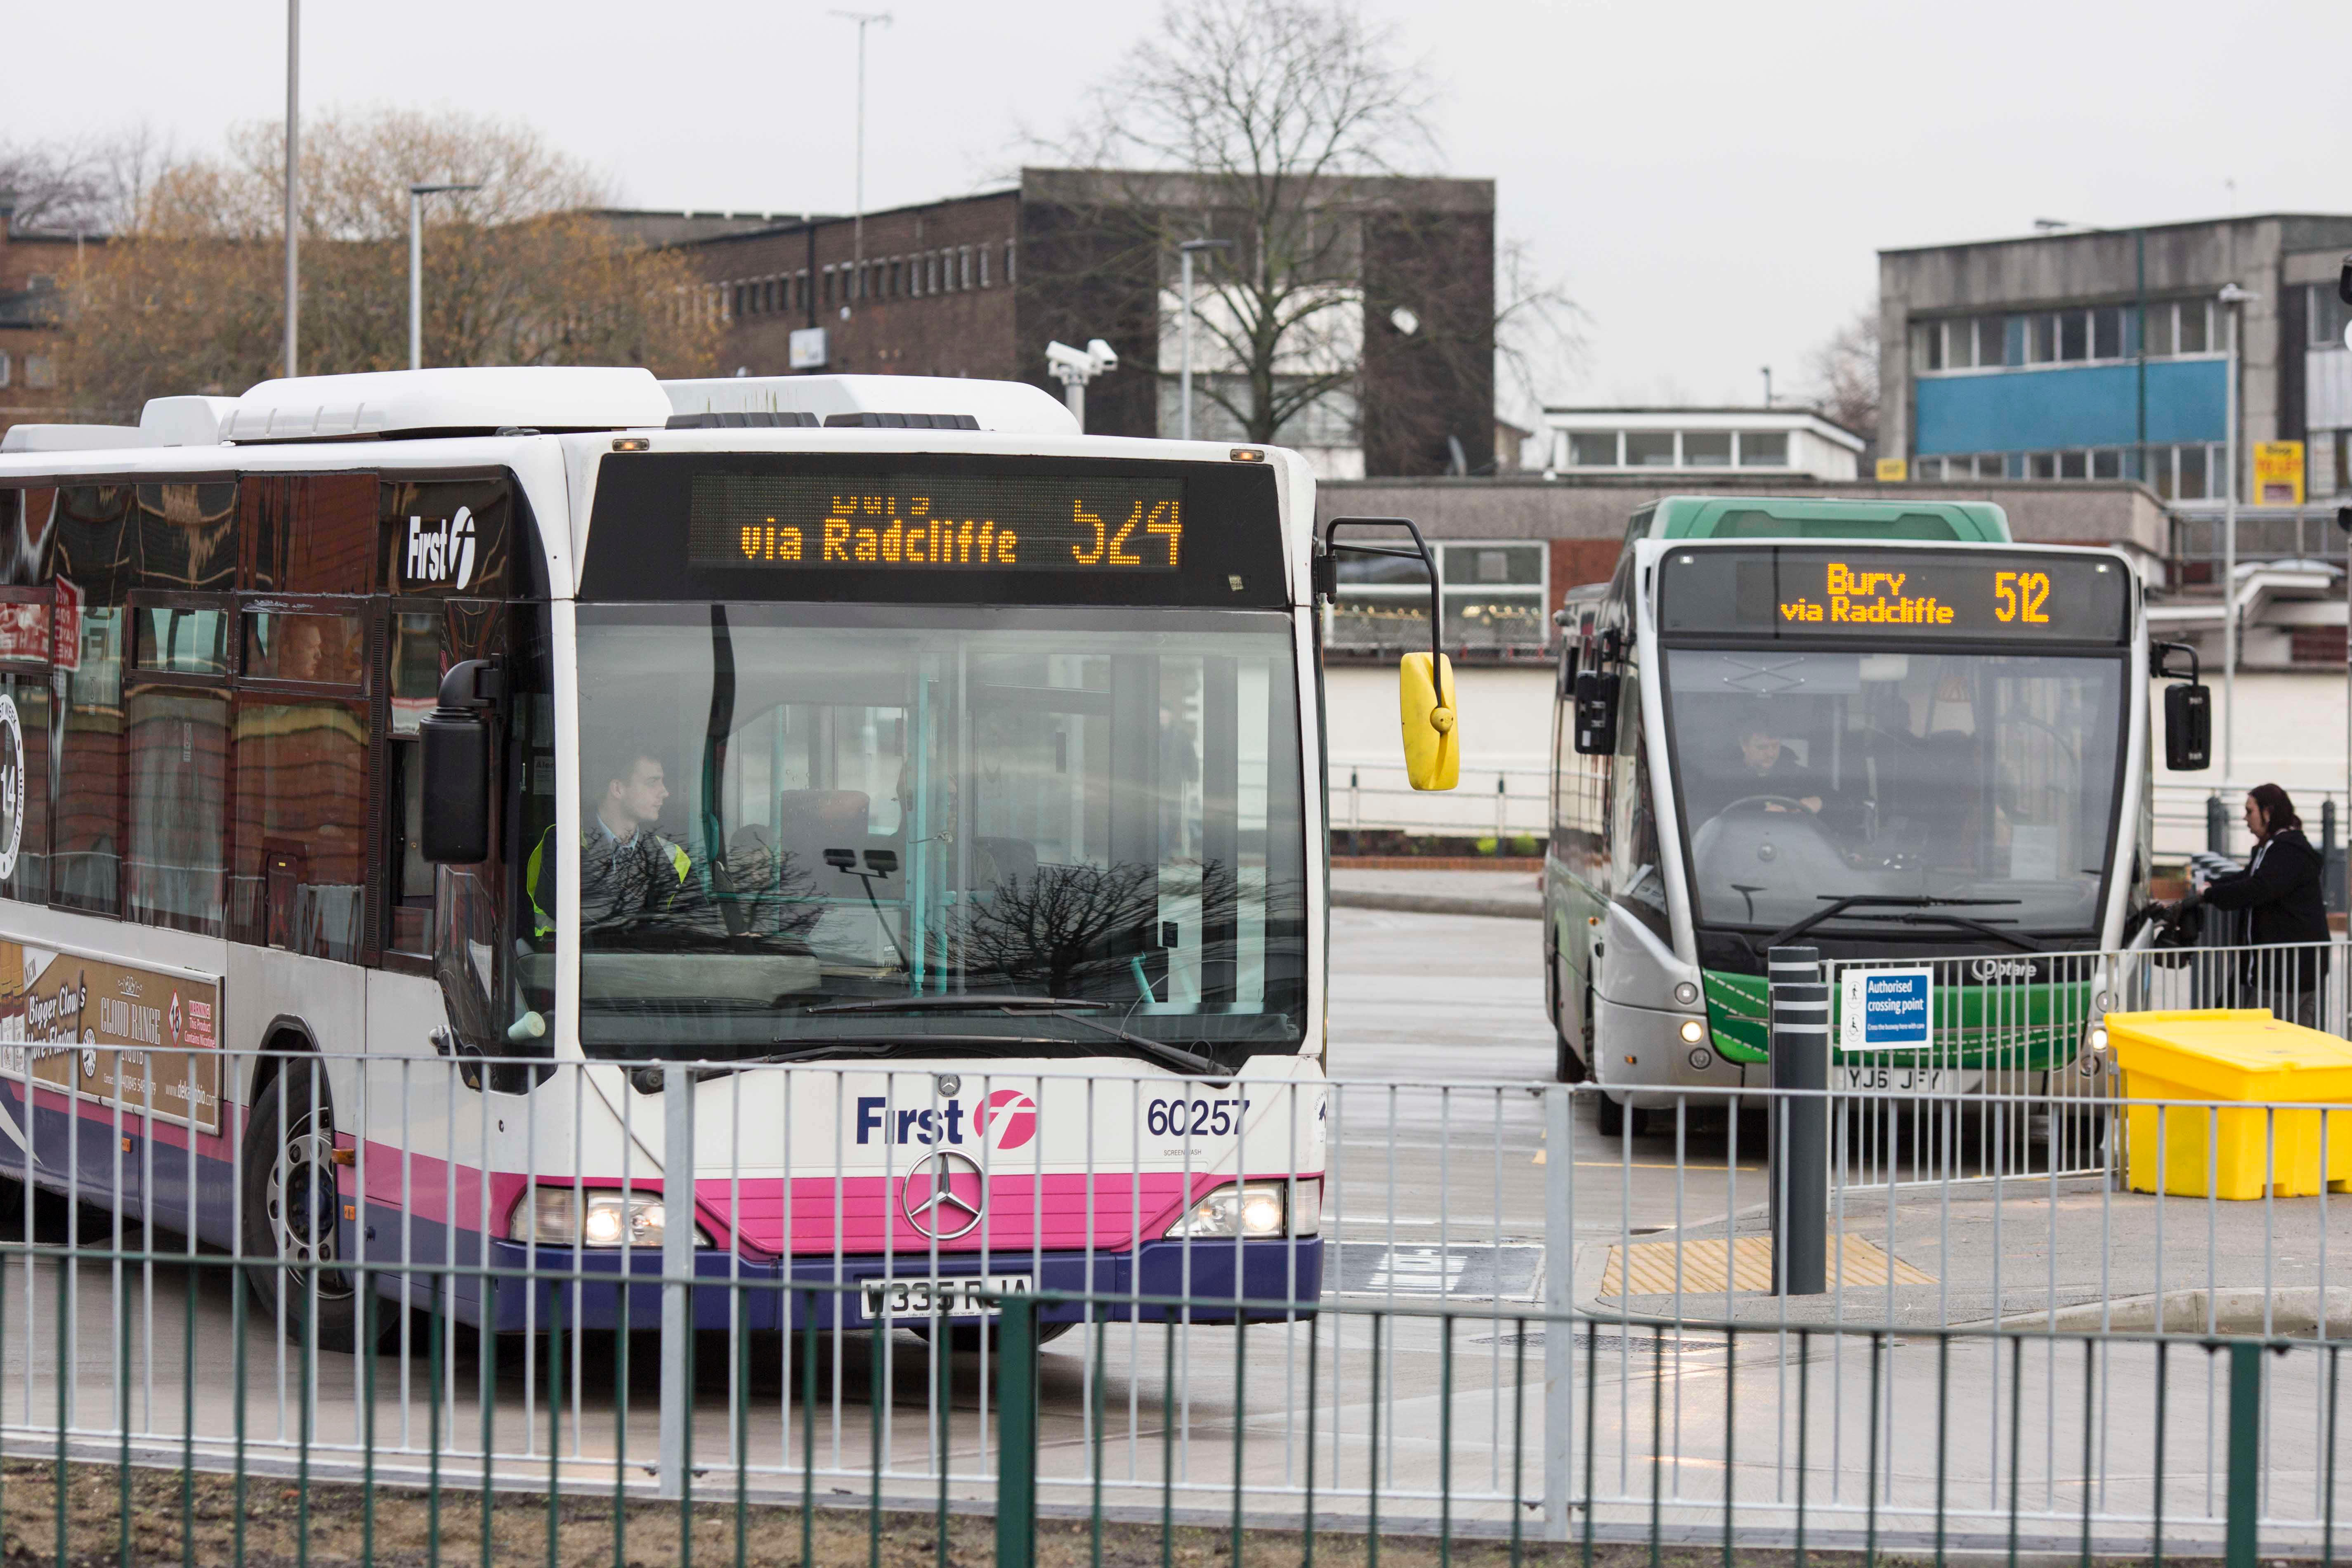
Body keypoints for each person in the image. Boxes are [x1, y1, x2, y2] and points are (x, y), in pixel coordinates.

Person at [2163, 783, 2329, 1026]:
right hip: (2291, 969)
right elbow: (2247, 878)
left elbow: (2258, 888)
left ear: (2268, 813)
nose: (2245, 818)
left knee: (2260, 1041)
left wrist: (2210, 895)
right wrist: (2212, 887)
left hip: (2285, 971)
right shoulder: (2272, 848)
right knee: (2295, 1045)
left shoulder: (2288, 851)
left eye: (2250, 811)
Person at [527, 748, 697, 939]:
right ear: (618, 789)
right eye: (652, 783)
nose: (665, 792)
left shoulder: (672, 855)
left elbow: (694, 924)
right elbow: (585, 911)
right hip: (567, 965)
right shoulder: (562, 841)